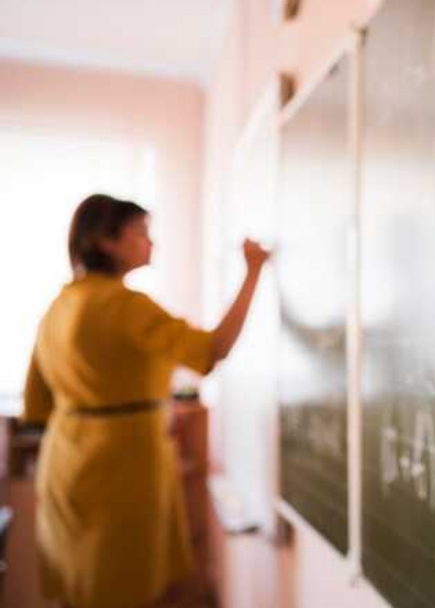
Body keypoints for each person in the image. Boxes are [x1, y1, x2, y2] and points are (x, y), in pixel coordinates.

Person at [21, 194, 270, 608]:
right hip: (120, 466)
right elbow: (212, 350)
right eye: (140, 233)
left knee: (80, 587)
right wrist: (253, 272)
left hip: (65, 462)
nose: (150, 242)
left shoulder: (59, 305)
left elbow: (36, 403)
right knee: (124, 586)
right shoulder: (124, 305)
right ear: (106, 241)